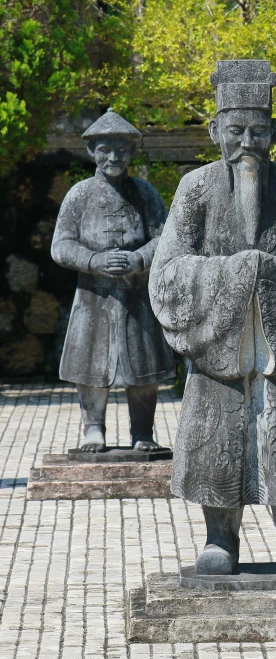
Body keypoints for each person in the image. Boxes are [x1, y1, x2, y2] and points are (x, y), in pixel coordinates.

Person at [150, 60, 276, 575]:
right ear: (215, 130)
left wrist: (270, 274)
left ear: (274, 133)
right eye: (235, 131)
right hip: (220, 346)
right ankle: (220, 539)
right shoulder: (195, 188)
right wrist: (236, 275)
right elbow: (167, 270)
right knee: (217, 441)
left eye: (259, 131)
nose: (247, 142)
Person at [51, 109, 175, 452]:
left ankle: (143, 433)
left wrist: (138, 259)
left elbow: (165, 237)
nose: (113, 157)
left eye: (121, 149)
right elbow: (60, 245)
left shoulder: (145, 193)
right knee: (90, 364)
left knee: (142, 366)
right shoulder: (79, 194)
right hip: (93, 295)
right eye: (105, 149)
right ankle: (93, 428)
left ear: (131, 152)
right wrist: (93, 260)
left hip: (136, 294)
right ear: (92, 152)